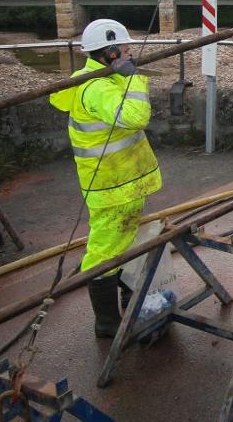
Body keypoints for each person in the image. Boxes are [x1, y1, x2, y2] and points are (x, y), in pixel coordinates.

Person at [49, 18, 162, 337]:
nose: (130, 53)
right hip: (114, 187)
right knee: (104, 252)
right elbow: (136, 117)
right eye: (125, 49)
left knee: (122, 243)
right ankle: (109, 323)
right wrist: (133, 79)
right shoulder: (98, 87)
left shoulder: (96, 77)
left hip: (121, 184)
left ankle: (128, 299)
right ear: (110, 53)